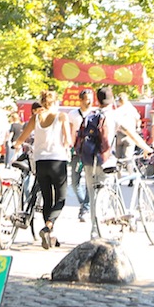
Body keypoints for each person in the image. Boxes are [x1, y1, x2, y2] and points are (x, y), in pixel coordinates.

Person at [82, 86, 153, 239]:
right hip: (106, 160)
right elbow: (131, 133)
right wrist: (146, 148)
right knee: (105, 194)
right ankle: (101, 229)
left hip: (89, 160)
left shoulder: (91, 115)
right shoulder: (114, 116)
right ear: (111, 99)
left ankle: (94, 231)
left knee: (93, 195)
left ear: (98, 100)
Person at [13, 90, 72, 248]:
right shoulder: (61, 117)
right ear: (55, 102)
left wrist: (16, 145)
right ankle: (48, 226)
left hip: (40, 162)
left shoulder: (36, 117)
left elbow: (23, 136)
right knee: (60, 198)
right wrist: (67, 146)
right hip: (57, 161)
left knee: (47, 199)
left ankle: (50, 236)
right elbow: (68, 140)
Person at [65, 89, 94, 221]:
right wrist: (68, 146)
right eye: (87, 99)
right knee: (74, 181)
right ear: (81, 100)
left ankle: (85, 207)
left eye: (91, 98)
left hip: (90, 150)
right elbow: (69, 131)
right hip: (76, 150)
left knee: (90, 181)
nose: (90, 101)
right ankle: (84, 203)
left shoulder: (96, 114)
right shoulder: (72, 114)